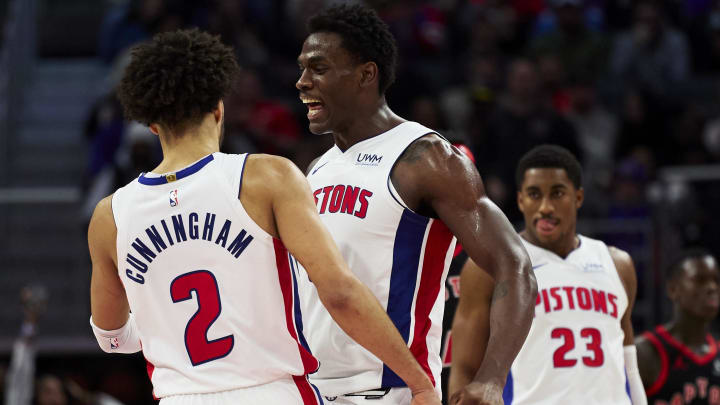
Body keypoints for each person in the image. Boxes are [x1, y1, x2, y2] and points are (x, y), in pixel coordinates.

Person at [87, 28, 441, 405]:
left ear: (152, 124)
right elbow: (339, 293)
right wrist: (418, 382)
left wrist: (162, 319)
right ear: (219, 109)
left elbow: (111, 339)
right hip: (273, 393)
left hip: (179, 396)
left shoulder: (110, 215)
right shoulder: (265, 177)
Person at [294, 5, 536, 404]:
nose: (302, 82)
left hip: (391, 390)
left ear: (365, 74)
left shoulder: (425, 158)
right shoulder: (317, 169)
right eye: (303, 68)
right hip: (311, 389)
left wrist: (492, 378)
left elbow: (515, 265)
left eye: (317, 68)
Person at [449, 145, 646, 405]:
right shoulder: (490, 266)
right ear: (520, 200)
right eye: (534, 194)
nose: (545, 207)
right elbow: (464, 368)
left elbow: (629, 366)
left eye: (557, 194)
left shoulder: (618, 264)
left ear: (578, 197)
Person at [636, 249, 720, 404]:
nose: (712, 288)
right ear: (673, 289)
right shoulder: (644, 352)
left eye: (716, 280)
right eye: (699, 280)